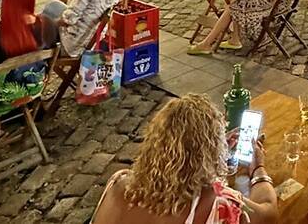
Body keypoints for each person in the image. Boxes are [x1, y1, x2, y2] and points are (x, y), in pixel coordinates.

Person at [91, 93, 277, 224]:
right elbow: (268, 214)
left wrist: (212, 153)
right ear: (210, 151)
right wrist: (258, 167)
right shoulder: (219, 203)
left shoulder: (119, 181)